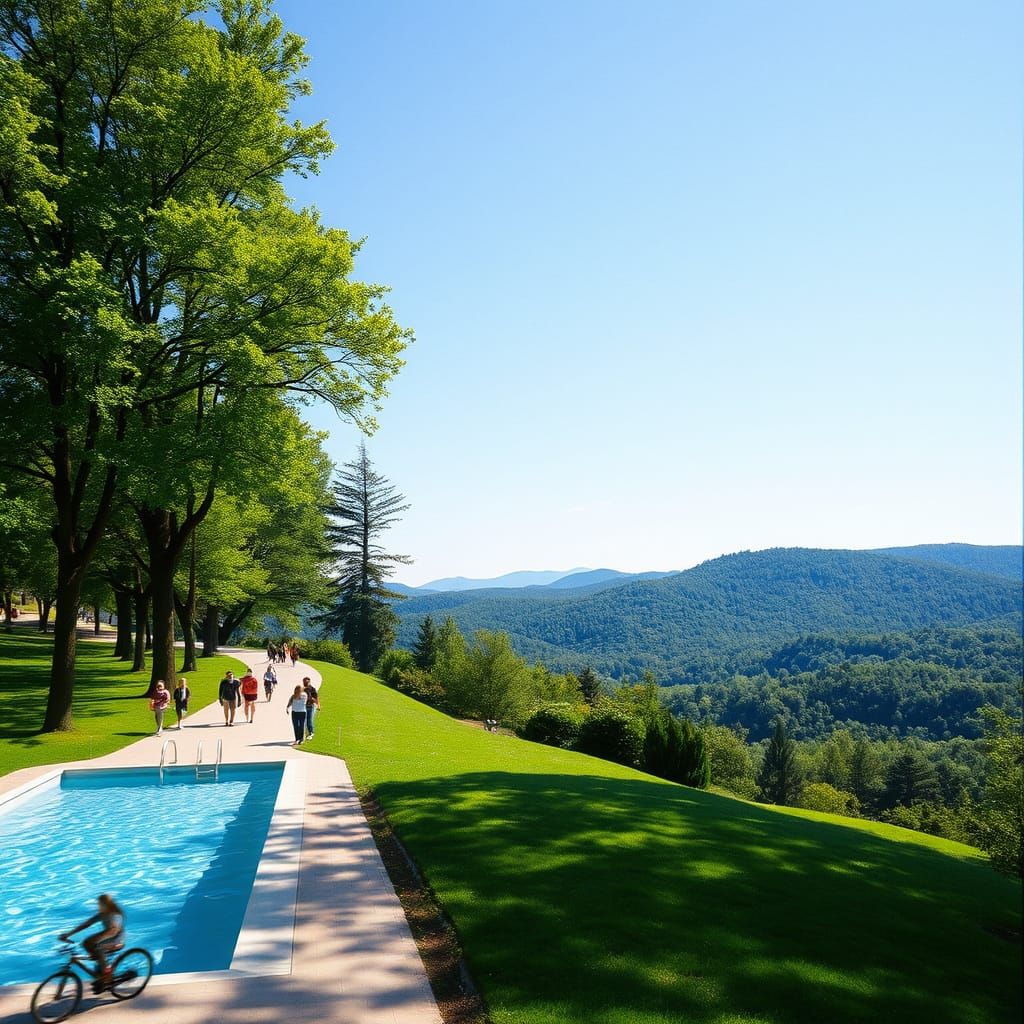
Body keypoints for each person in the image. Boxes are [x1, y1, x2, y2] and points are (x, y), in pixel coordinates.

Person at [61, 894, 125, 992]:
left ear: (107, 904)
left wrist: (98, 940)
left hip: (117, 938)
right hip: (106, 936)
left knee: (98, 947)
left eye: (100, 904)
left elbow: (114, 931)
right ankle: (100, 970)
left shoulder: (115, 915)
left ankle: (105, 977)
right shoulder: (102, 914)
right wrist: (68, 934)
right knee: (86, 943)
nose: (98, 906)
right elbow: (86, 924)